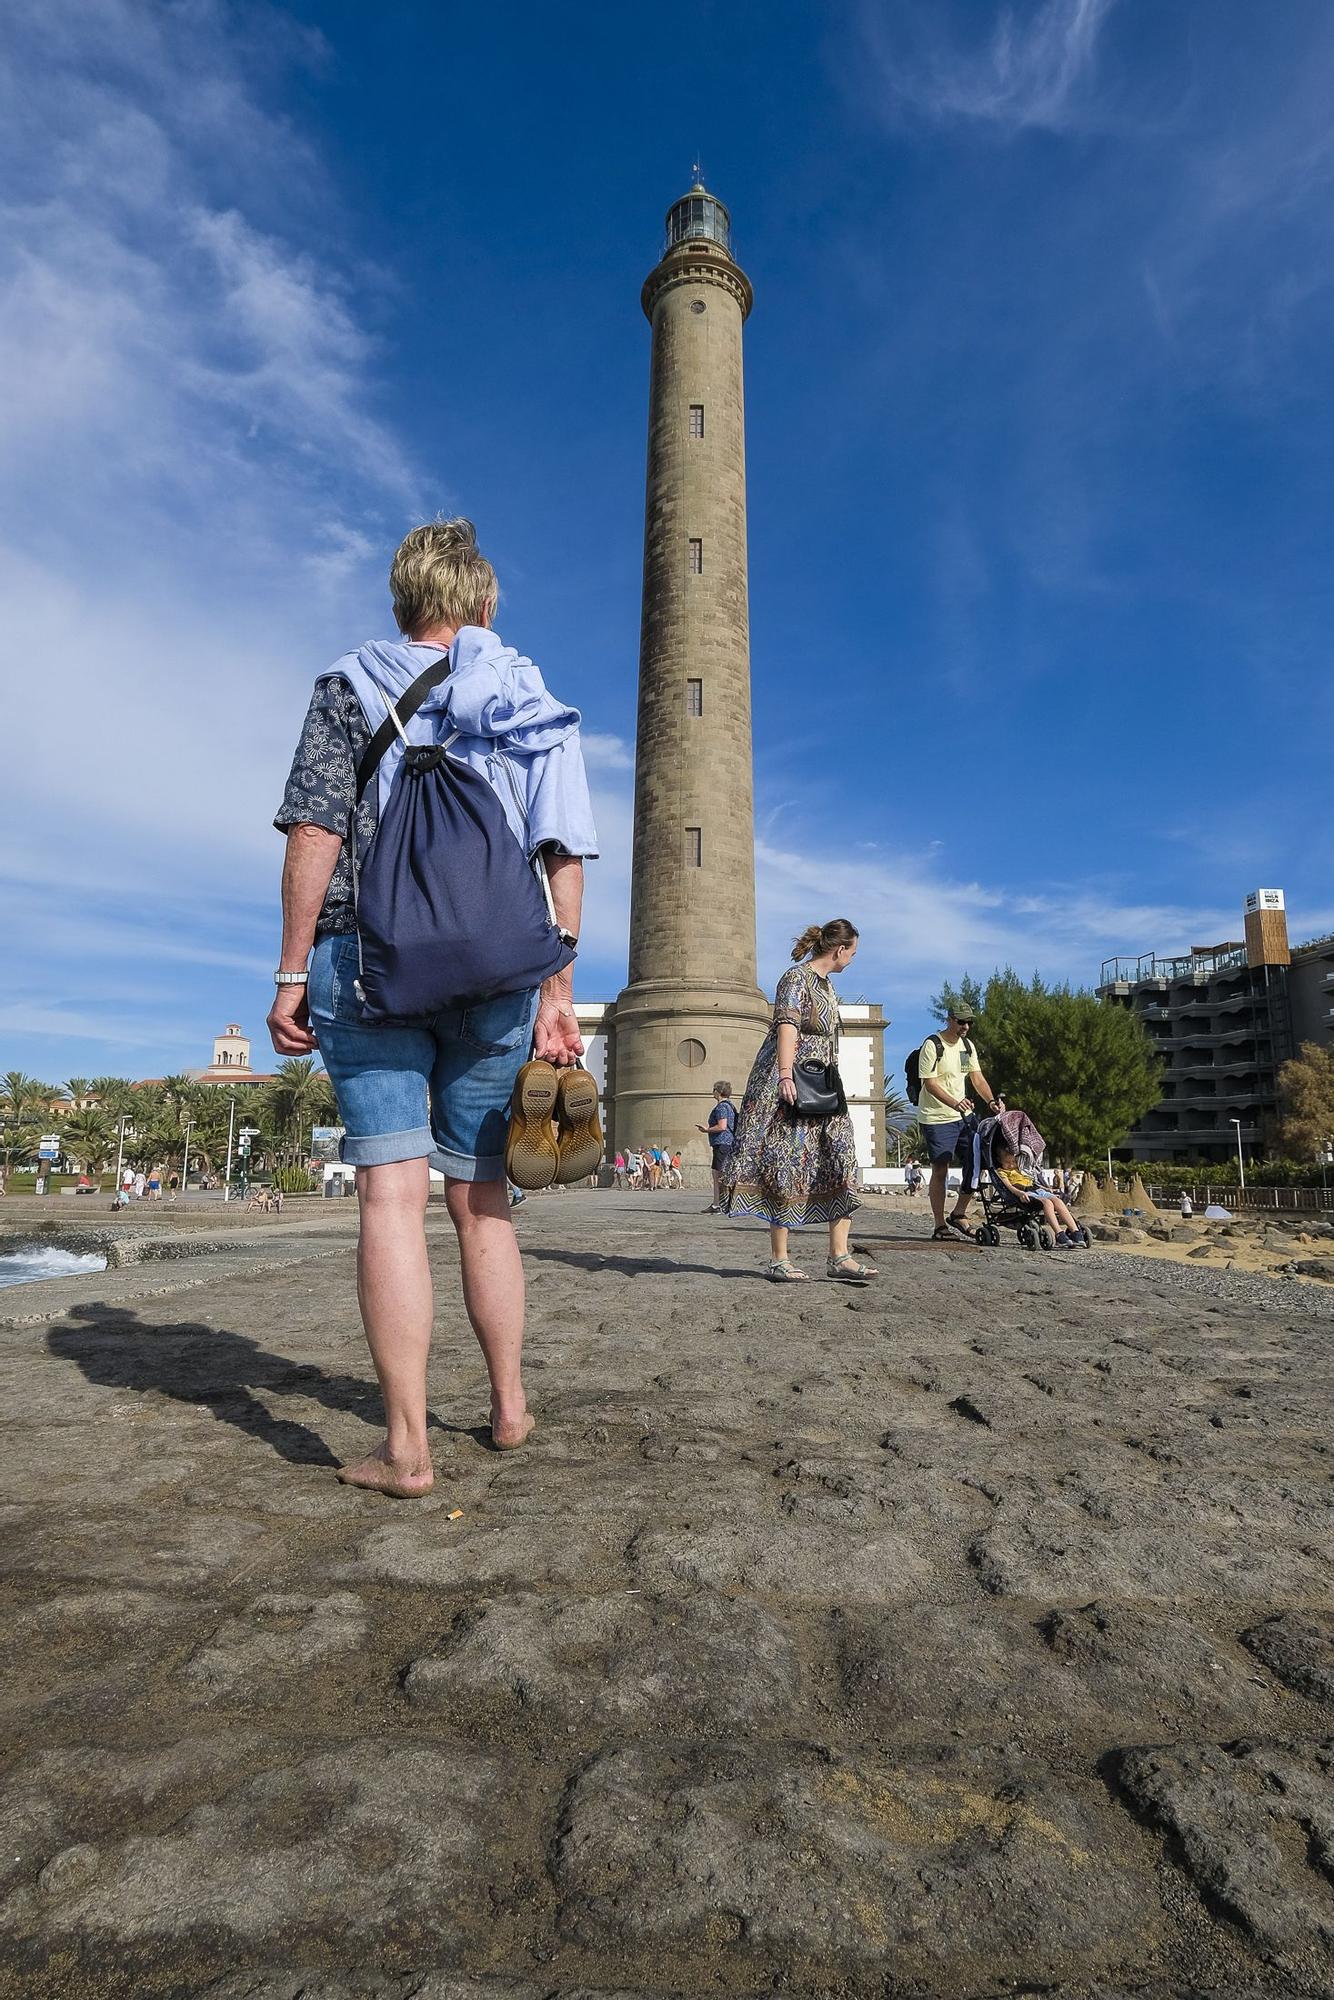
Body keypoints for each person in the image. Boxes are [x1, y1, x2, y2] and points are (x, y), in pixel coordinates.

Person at [269, 518, 598, 1498]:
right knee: (483, 1204)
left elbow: (315, 833)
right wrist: (557, 993)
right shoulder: (532, 697)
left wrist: (292, 972)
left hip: (367, 967)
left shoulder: (345, 683)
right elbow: (562, 854)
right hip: (499, 982)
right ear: (485, 610)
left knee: (389, 1200)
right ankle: (506, 1405)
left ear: (402, 605)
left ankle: (406, 1447)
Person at [721, 919, 875, 1282]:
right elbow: (786, 1026)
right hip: (791, 1084)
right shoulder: (797, 979)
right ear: (839, 950)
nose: (853, 959)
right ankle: (779, 1258)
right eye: (853, 952)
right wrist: (786, 1075)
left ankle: (839, 1255)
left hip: (823, 1086)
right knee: (786, 1161)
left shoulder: (827, 986)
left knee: (842, 1157)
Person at [916, 1008, 1003, 1243]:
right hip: (936, 1117)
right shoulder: (933, 1045)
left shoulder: (967, 1046)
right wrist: (955, 1103)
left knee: (978, 1162)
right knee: (940, 1169)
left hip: (964, 1116)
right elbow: (930, 1084)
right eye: (961, 1021)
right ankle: (939, 1225)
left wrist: (991, 1101)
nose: (965, 1026)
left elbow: (976, 1077)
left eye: (969, 1022)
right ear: (950, 1020)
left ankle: (958, 1213)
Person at [995, 1141, 1085, 1248]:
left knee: (1058, 1201)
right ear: (1000, 1160)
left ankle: (1075, 1231)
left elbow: (1033, 1182)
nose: (1011, 1165)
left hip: (1037, 1190)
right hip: (1024, 1193)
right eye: (1007, 1162)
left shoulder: (1021, 1168)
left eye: (1013, 1161)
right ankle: (1059, 1233)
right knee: (1047, 1203)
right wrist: (1020, 1193)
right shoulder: (1002, 1172)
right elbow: (1009, 1187)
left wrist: (1046, 1188)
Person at [698, 1081, 737, 1213]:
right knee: (722, 1173)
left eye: (714, 1089)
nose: (712, 1092)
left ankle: (718, 1204)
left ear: (718, 1092)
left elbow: (722, 1126)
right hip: (728, 1143)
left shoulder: (721, 1107)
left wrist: (706, 1129)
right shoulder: (731, 1106)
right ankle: (723, 1203)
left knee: (718, 1174)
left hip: (722, 1143)